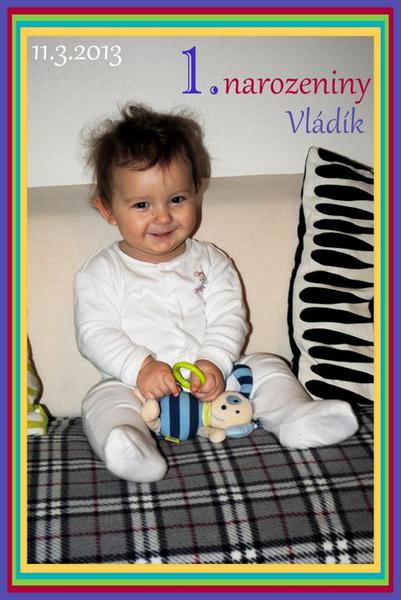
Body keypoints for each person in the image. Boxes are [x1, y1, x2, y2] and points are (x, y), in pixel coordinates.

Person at [74, 104, 358, 483]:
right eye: (142, 205)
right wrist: (139, 367)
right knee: (102, 399)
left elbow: (230, 318)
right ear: (107, 209)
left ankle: (295, 417)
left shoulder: (212, 261)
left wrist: (216, 362)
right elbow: (94, 333)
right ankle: (131, 445)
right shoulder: (101, 271)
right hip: (139, 391)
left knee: (268, 367)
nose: (163, 216)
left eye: (177, 199)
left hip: (220, 385)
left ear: (196, 192)